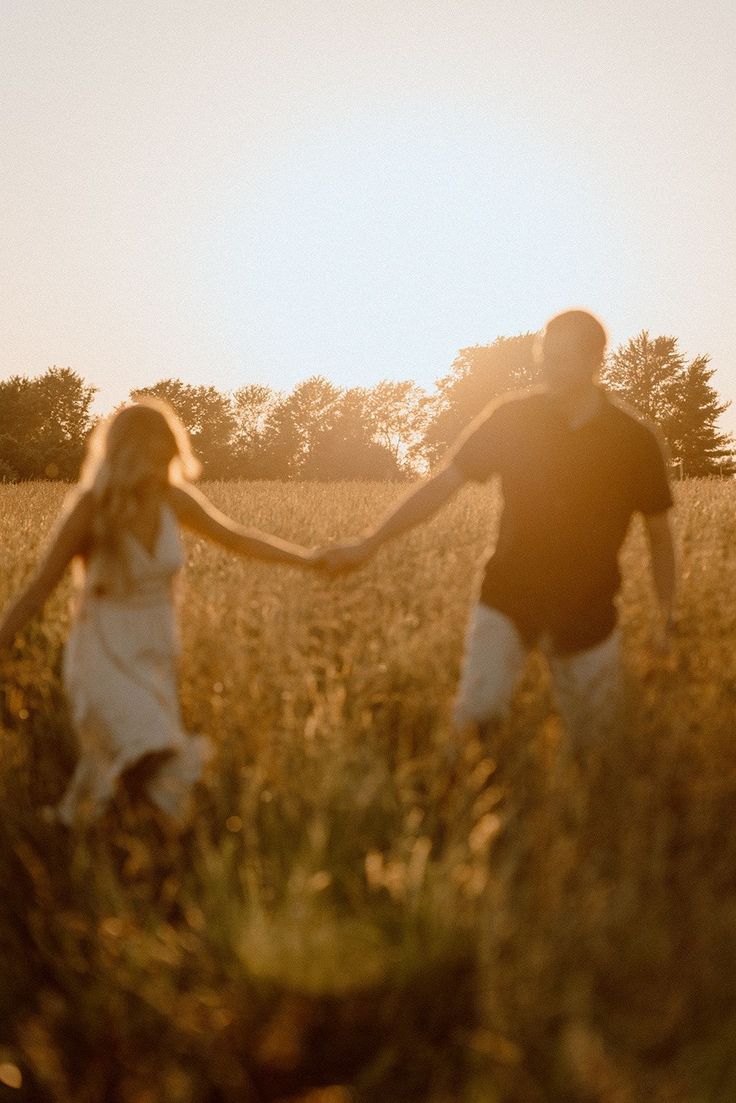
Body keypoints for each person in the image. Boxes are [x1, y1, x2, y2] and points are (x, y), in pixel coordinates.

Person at [317, 310, 676, 743]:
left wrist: (666, 619)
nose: (548, 367)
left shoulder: (633, 440)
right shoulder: (512, 418)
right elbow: (442, 486)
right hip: (507, 598)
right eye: (545, 355)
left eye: (561, 358)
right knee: (475, 724)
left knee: (597, 750)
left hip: (590, 612)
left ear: (594, 360)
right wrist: (370, 541)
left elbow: (660, 537)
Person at [0, 399, 318, 825]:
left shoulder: (174, 500)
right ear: (127, 454)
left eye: (166, 457)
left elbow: (238, 539)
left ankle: (83, 830)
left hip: (155, 647)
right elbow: (41, 587)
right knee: (150, 747)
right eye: (151, 457)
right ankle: (156, 836)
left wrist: (309, 559)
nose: (159, 470)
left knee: (120, 759)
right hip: (103, 651)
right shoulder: (91, 508)